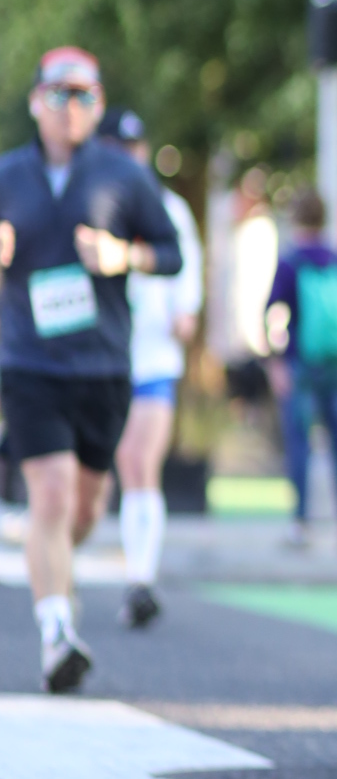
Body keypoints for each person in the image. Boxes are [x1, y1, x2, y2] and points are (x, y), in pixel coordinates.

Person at [0, 49, 181, 690]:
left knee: (84, 508)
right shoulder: (8, 175)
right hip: (28, 361)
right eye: (58, 93)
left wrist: (123, 255)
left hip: (102, 365)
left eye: (82, 95)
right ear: (35, 102)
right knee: (48, 495)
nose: (69, 107)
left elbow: (173, 254)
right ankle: (56, 633)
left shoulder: (123, 177)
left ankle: (55, 571)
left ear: (98, 104)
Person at [102, 110, 203, 628]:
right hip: (109, 357)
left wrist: (185, 313)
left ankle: (141, 576)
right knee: (122, 465)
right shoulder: (94, 207)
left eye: (134, 147)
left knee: (142, 462)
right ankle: (130, 573)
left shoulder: (170, 210)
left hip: (156, 357)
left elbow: (186, 275)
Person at [265, 189, 337, 547]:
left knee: (299, 442)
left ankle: (301, 523)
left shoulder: (291, 262)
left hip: (300, 363)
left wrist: (275, 361)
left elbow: (271, 313)